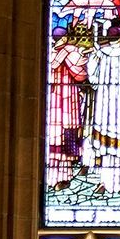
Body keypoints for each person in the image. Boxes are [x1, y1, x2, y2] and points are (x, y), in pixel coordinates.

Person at [84, 18, 120, 196]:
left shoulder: (101, 54)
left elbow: (93, 78)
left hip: (105, 107)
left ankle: (105, 182)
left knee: (107, 147)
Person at [46, 26, 89, 190]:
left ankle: (51, 179)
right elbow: (80, 74)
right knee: (65, 136)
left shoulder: (49, 53)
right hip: (66, 100)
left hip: (52, 101)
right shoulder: (70, 52)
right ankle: (63, 177)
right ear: (64, 38)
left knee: (54, 138)